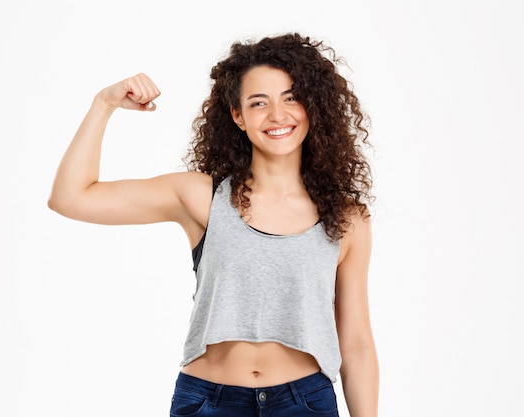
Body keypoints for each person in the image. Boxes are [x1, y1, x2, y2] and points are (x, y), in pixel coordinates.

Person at [48, 32, 378, 417]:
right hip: (209, 402)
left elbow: (356, 345)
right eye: (259, 102)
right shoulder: (201, 198)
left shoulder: (347, 218)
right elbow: (70, 197)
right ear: (237, 115)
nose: (277, 115)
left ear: (312, 105)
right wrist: (103, 104)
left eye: (291, 98)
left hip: (304, 404)